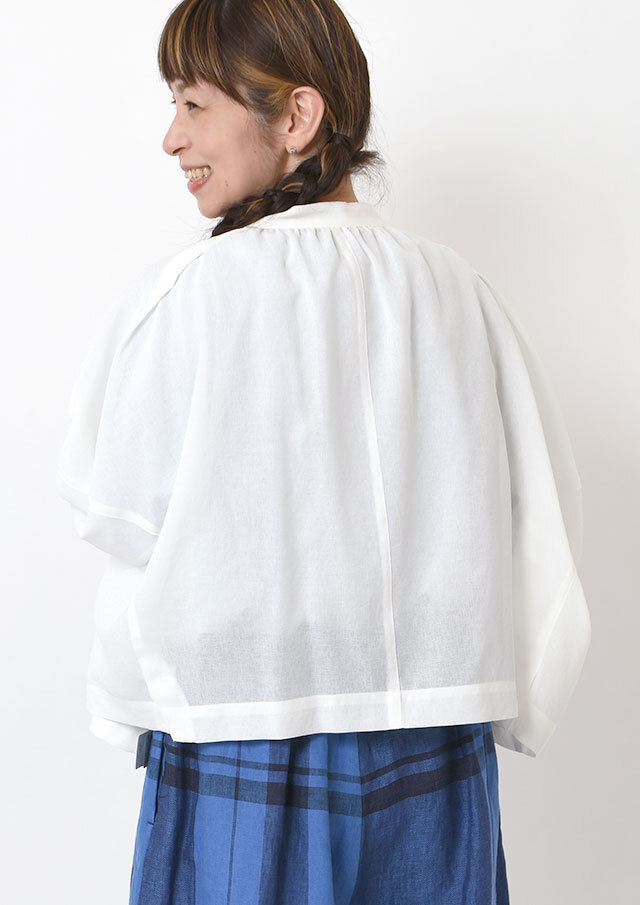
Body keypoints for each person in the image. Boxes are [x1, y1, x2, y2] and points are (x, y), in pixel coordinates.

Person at [56, 1, 591, 903]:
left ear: (297, 116)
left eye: (194, 104)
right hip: (437, 734)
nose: (171, 138)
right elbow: (542, 516)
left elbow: (112, 508)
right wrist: (515, 693)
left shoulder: (189, 296)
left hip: (243, 725)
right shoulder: (460, 292)